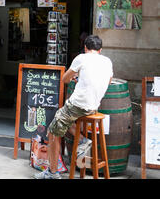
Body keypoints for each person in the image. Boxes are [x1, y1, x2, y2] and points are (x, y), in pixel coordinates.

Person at [34, 35, 113, 179]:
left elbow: (65, 79)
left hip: (78, 105)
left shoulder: (81, 58)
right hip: (94, 106)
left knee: (53, 132)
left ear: (85, 47)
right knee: (62, 118)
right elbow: (108, 82)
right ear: (100, 50)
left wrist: (75, 77)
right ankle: (83, 140)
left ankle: (52, 172)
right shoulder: (107, 61)